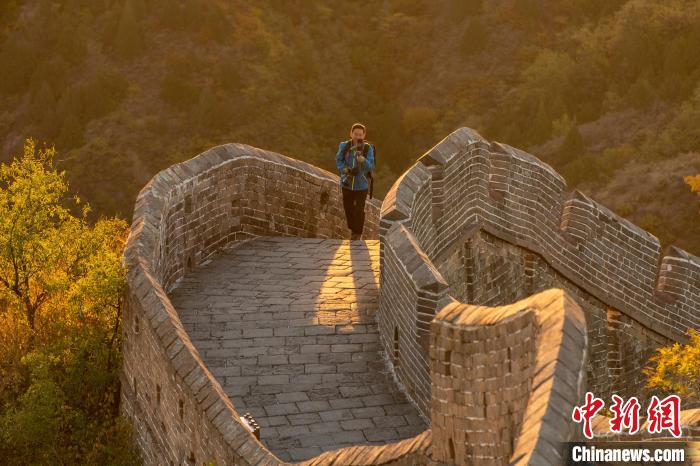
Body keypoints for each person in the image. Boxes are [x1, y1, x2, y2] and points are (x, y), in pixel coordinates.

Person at [335, 123, 375, 240]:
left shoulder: (367, 148)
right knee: (348, 209)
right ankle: (353, 229)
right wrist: (343, 169)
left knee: (359, 210)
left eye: (360, 134)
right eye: (355, 134)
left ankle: (357, 234)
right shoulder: (344, 146)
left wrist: (363, 161)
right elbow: (339, 160)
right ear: (351, 134)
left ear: (364, 135)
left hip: (361, 185)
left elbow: (371, 166)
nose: (358, 136)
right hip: (346, 183)